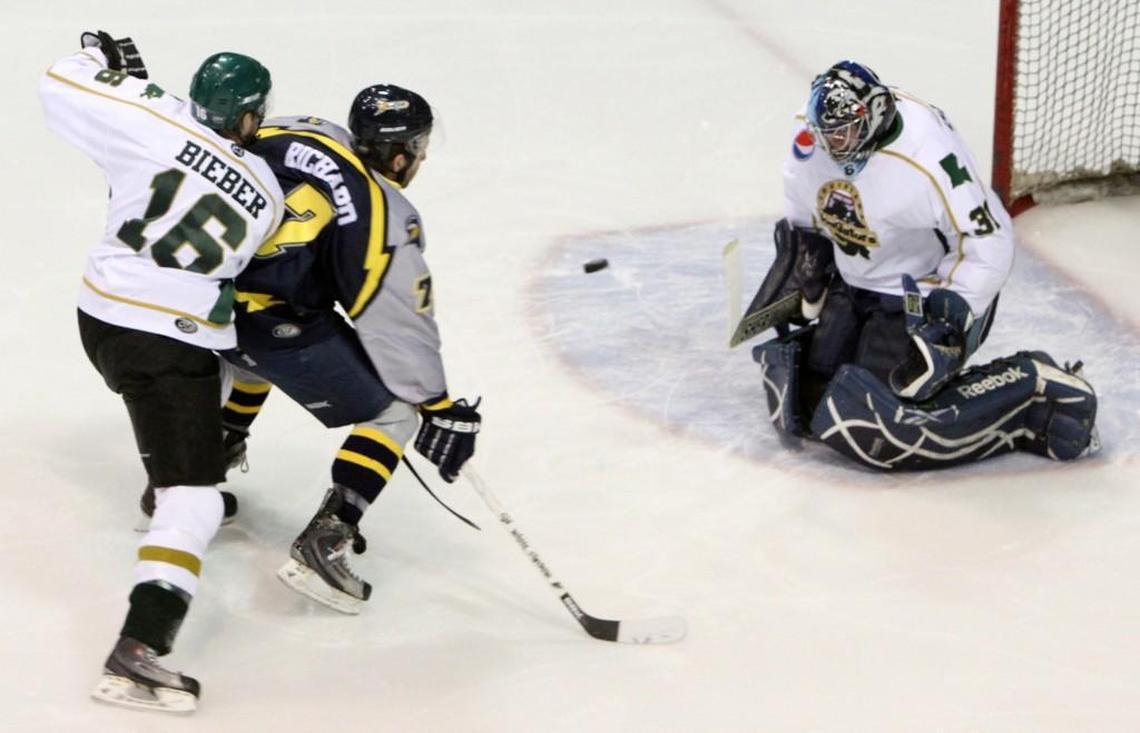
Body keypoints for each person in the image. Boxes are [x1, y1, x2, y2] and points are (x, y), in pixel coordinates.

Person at [39, 32, 283, 713]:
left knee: (196, 417)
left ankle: (167, 476)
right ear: (247, 116)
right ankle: (137, 653)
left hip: (102, 319)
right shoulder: (264, 190)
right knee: (197, 496)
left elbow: (61, 78)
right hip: (166, 340)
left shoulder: (147, 117)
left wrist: (113, 75)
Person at [745, 60, 1098, 469]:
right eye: (829, 134)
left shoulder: (930, 158)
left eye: (845, 132)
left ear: (874, 115)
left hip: (922, 291)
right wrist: (810, 253)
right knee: (809, 397)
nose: (835, 145)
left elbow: (989, 237)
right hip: (855, 277)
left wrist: (951, 313)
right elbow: (804, 196)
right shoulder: (811, 137)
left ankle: (1029, 381)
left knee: (880, 422)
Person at [217, 84, 481, 614]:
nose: (423, 157)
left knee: (250, 365)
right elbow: (398, 325)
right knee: (398, 413)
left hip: (202, 305)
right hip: (269, 327)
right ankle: (328, 537)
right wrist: (437, 404)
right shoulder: (385, 213)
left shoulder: (295, 128)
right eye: (420, 146)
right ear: (400, 154)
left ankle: (192, 473)